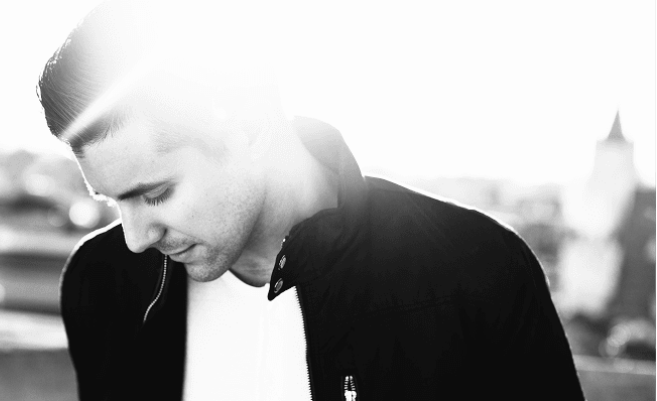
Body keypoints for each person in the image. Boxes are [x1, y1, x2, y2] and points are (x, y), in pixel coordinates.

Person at [35, 1, 586, 399]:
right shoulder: (100, 282)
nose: (135, 239)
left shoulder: (478, 274)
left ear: (246, 125)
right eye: (113, 201)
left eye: (156, 194)